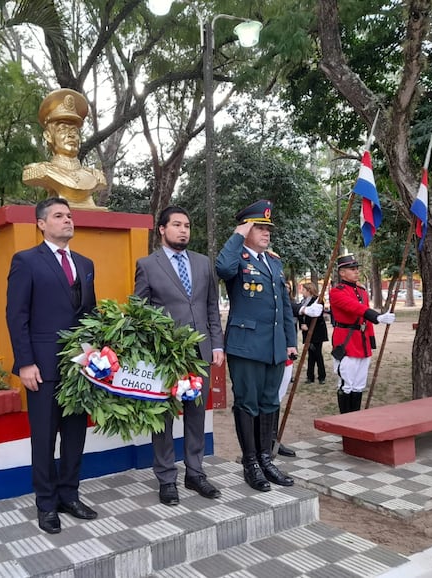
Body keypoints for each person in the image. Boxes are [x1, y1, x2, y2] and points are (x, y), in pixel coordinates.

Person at [6, 197, 98, 534]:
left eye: (70, 216)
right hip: (42, 368)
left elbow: (90, 314)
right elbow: (16, 316)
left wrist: (95, 357)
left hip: (79, 368)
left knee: (75, 436)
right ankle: (46, 505)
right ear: (41, 224)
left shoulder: (86, 264)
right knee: (44, 438)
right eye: (59, 216)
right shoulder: (26, 261)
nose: (67, 221)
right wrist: (26, 363)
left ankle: (69, 495)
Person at [134, 206, 224, 506]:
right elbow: (139, 312)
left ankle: (195, 473)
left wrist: (217, 345)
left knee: (197, 415)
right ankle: (167, 478)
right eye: (176, 225)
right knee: (164, 418)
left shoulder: (202, 263)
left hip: (200, 353)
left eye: (187, 225)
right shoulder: (147, 265)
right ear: (162, 229)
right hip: (166, 356)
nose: (183, 230)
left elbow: (211, 306)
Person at [216, 199, 297, 492]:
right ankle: (250, 462)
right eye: (259, 228)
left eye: (268, 228)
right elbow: (222, 268)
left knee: (270, 403)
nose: (266, 233)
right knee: (248, 404)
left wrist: (290, 341)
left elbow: (284, 306)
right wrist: (238, 235)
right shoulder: (237, 259)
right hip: (246, 346)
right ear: (246, 228)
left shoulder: (273, 261)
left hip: (274, 346)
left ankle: (266, 458)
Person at [328, 254, 395, 413]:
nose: (356, 272)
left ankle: (356, 419)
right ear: (342, 273)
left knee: (359, 384)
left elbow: (365, 321)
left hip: (362, 342)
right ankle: (346, 421)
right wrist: (376, 316)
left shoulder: (362, 291)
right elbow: (354, 308)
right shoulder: (337, 292)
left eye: (357, 269)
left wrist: (371, 341)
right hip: (346, 341)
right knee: (346, 383)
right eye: (352, 269)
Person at [23, 88, 107, 210]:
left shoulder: (96, 176)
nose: (71, 135)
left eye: (74, 130)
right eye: (63, 129)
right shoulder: (41, 171)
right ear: (48, 136)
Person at [297, 282, 329, 385]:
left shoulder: (318, 300)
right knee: (310, 354)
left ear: (309, 290)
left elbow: (317, 315)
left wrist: (308, 325)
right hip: (307, 331)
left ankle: (322, 376)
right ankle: (310, 376)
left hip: (317, 331)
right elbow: (300, 314)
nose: (302, 292)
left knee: (317, 353)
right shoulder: (303, 301)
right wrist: (302, 324)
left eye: (303, 290)